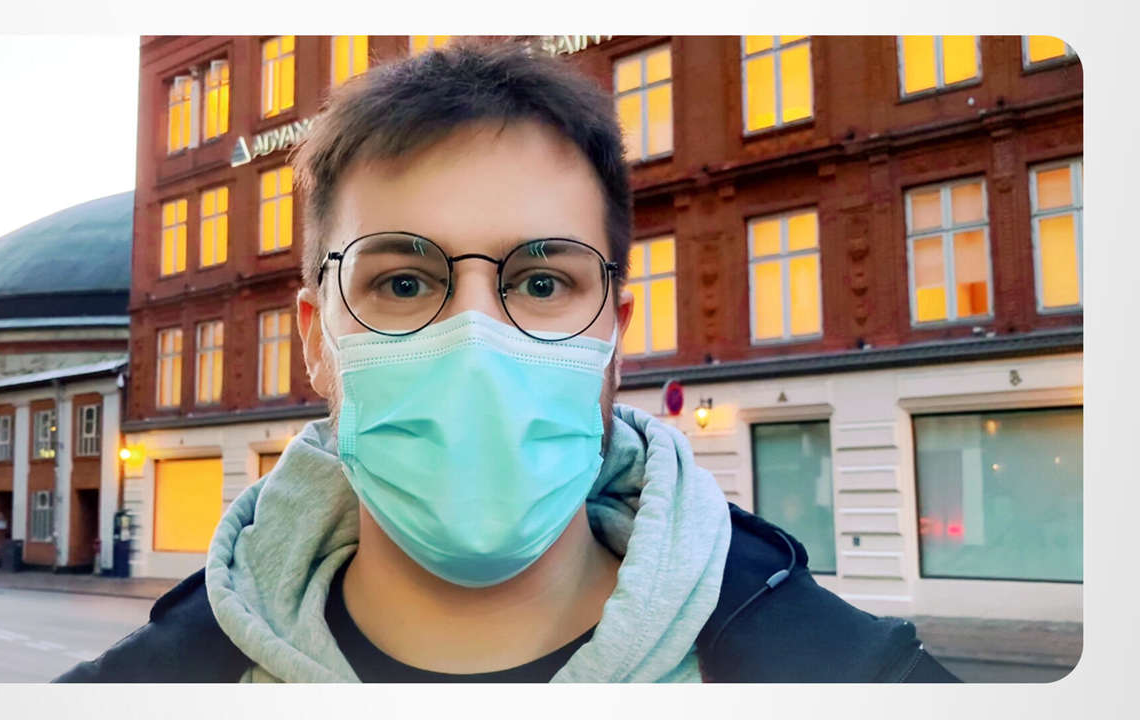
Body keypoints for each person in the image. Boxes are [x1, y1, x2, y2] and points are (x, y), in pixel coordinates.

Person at [56, 39, 958, 683]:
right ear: (316, 340)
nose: (477, 343)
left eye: (541, 282)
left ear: (614, 337)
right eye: (403, 283)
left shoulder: (856, 681)